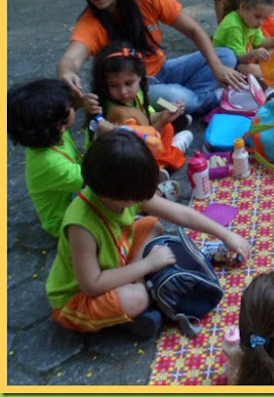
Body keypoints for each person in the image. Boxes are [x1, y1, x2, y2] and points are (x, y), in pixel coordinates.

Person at [45, 130, 252, 336]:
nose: (142, 200)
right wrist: (148, 265)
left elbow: (181, 214)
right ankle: (138, 306)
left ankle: (144, 292)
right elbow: (92, 284)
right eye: (137, 198)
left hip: (117, 262)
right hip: (78, 299)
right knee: (137, 299)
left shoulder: (120, 190)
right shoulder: (81, 226)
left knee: (152, 225)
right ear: (117, 194)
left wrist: (225, 234)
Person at [57, 0, 246, 117]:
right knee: (176, 98)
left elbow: (194, 31)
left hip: (165, 71)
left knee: (226, 56)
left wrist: (217, 67)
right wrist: (66, 73)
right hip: (136, 88)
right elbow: (71, 59)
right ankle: (211, 97)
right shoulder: (91, 21)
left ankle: (185, 102)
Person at [85, 41, 194, 172]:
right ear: (104, 84)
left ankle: (167, 150)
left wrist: (164, 114)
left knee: (169, 128)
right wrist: (163, 120)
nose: (123, 91)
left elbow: (145, 116)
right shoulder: (117, 113)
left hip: (141, 138)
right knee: (164, 133)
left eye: (128, 83)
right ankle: (169, 157)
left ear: (140, 77)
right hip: (129, 154)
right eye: (114, 85)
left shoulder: (138, 93)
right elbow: (142, 143)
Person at [8, 80, 87, 238]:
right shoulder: (48, 162)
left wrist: (81, 104)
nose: (74, 105)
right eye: (70, 105)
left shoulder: (50, 135)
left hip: (75, 191)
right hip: (66, 221)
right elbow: (95, 179)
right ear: (61, 124)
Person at [213, 0, 274, 79]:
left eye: (265, 18)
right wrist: (254, 54)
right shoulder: (234, 27)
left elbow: (259, 41)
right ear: (243, 8)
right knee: (246, 69)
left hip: (247, 54)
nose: (261, 22)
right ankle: (270, 71)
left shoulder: (250, 21)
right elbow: (236, 59)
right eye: (258, 16)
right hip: (228, 64)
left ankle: (268, 70)